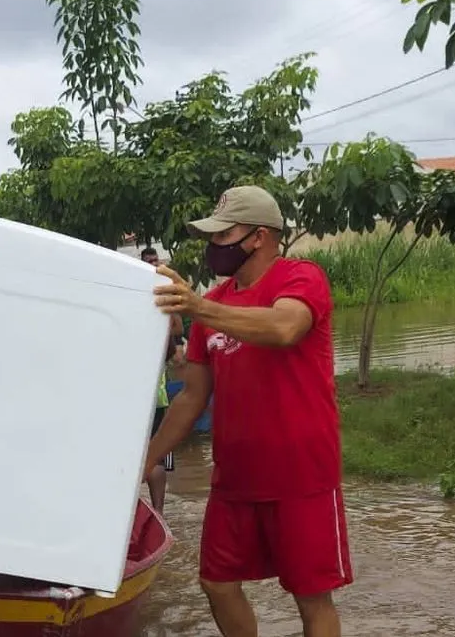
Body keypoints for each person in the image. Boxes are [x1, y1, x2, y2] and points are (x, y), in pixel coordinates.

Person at [145, 185, 351, 637]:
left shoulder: (301, 277)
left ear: (258, 237)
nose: (213, 246)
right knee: (216, 584)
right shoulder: (215, 304)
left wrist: (199, 307)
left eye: (223, 235)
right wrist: (147, 460)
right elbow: (191, 396)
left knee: (311, 596)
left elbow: (284, 327)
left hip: (301, 474)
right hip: (236, 476)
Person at [139, 246, 182, 514]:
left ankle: (159, 514)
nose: (154, 266)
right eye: (150, 262)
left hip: (156, 395)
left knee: (156, 455)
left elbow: (176, 328)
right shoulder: (142, 293)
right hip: (147, 395)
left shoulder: (164, 292)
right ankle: (157, 514)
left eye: (156, 261)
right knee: (152, 455)